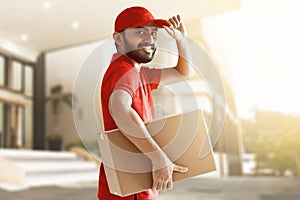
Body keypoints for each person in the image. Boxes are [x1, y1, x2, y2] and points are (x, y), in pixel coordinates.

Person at [99, 6, 195, 200]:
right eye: (140, 32)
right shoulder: (123, 71)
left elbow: (184, 73)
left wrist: (181, 41)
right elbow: (121, 110)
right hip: (130, 191)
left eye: (153, 33)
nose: (150, 39)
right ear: (118, 38)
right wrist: (159, 158)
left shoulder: (140, 74)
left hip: (132, 187)